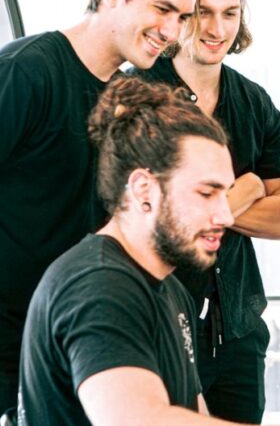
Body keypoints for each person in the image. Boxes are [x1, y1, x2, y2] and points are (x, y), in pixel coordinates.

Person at [0, 0, 200, 415]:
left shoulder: (128, 101)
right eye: (162, 9)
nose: (171, 32)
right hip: (10, 357)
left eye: (183, 17)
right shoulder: (25, 71)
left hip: (83, 351)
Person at [17, 76, 262, 426]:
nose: (225, 215)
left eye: (226, 194)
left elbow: (193, 415)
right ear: (144, 189)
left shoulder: (172, 291)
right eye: (208, 193)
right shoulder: (98, 286)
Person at [131, 0, 280, 421]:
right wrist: (246, 188)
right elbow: (148, 213)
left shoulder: (254, 102)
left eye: (230, 13)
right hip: (159, 328)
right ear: (181, 14)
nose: (217, 28)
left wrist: (204, 205)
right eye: (203, 12)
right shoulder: (136, 96)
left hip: (239, 333)